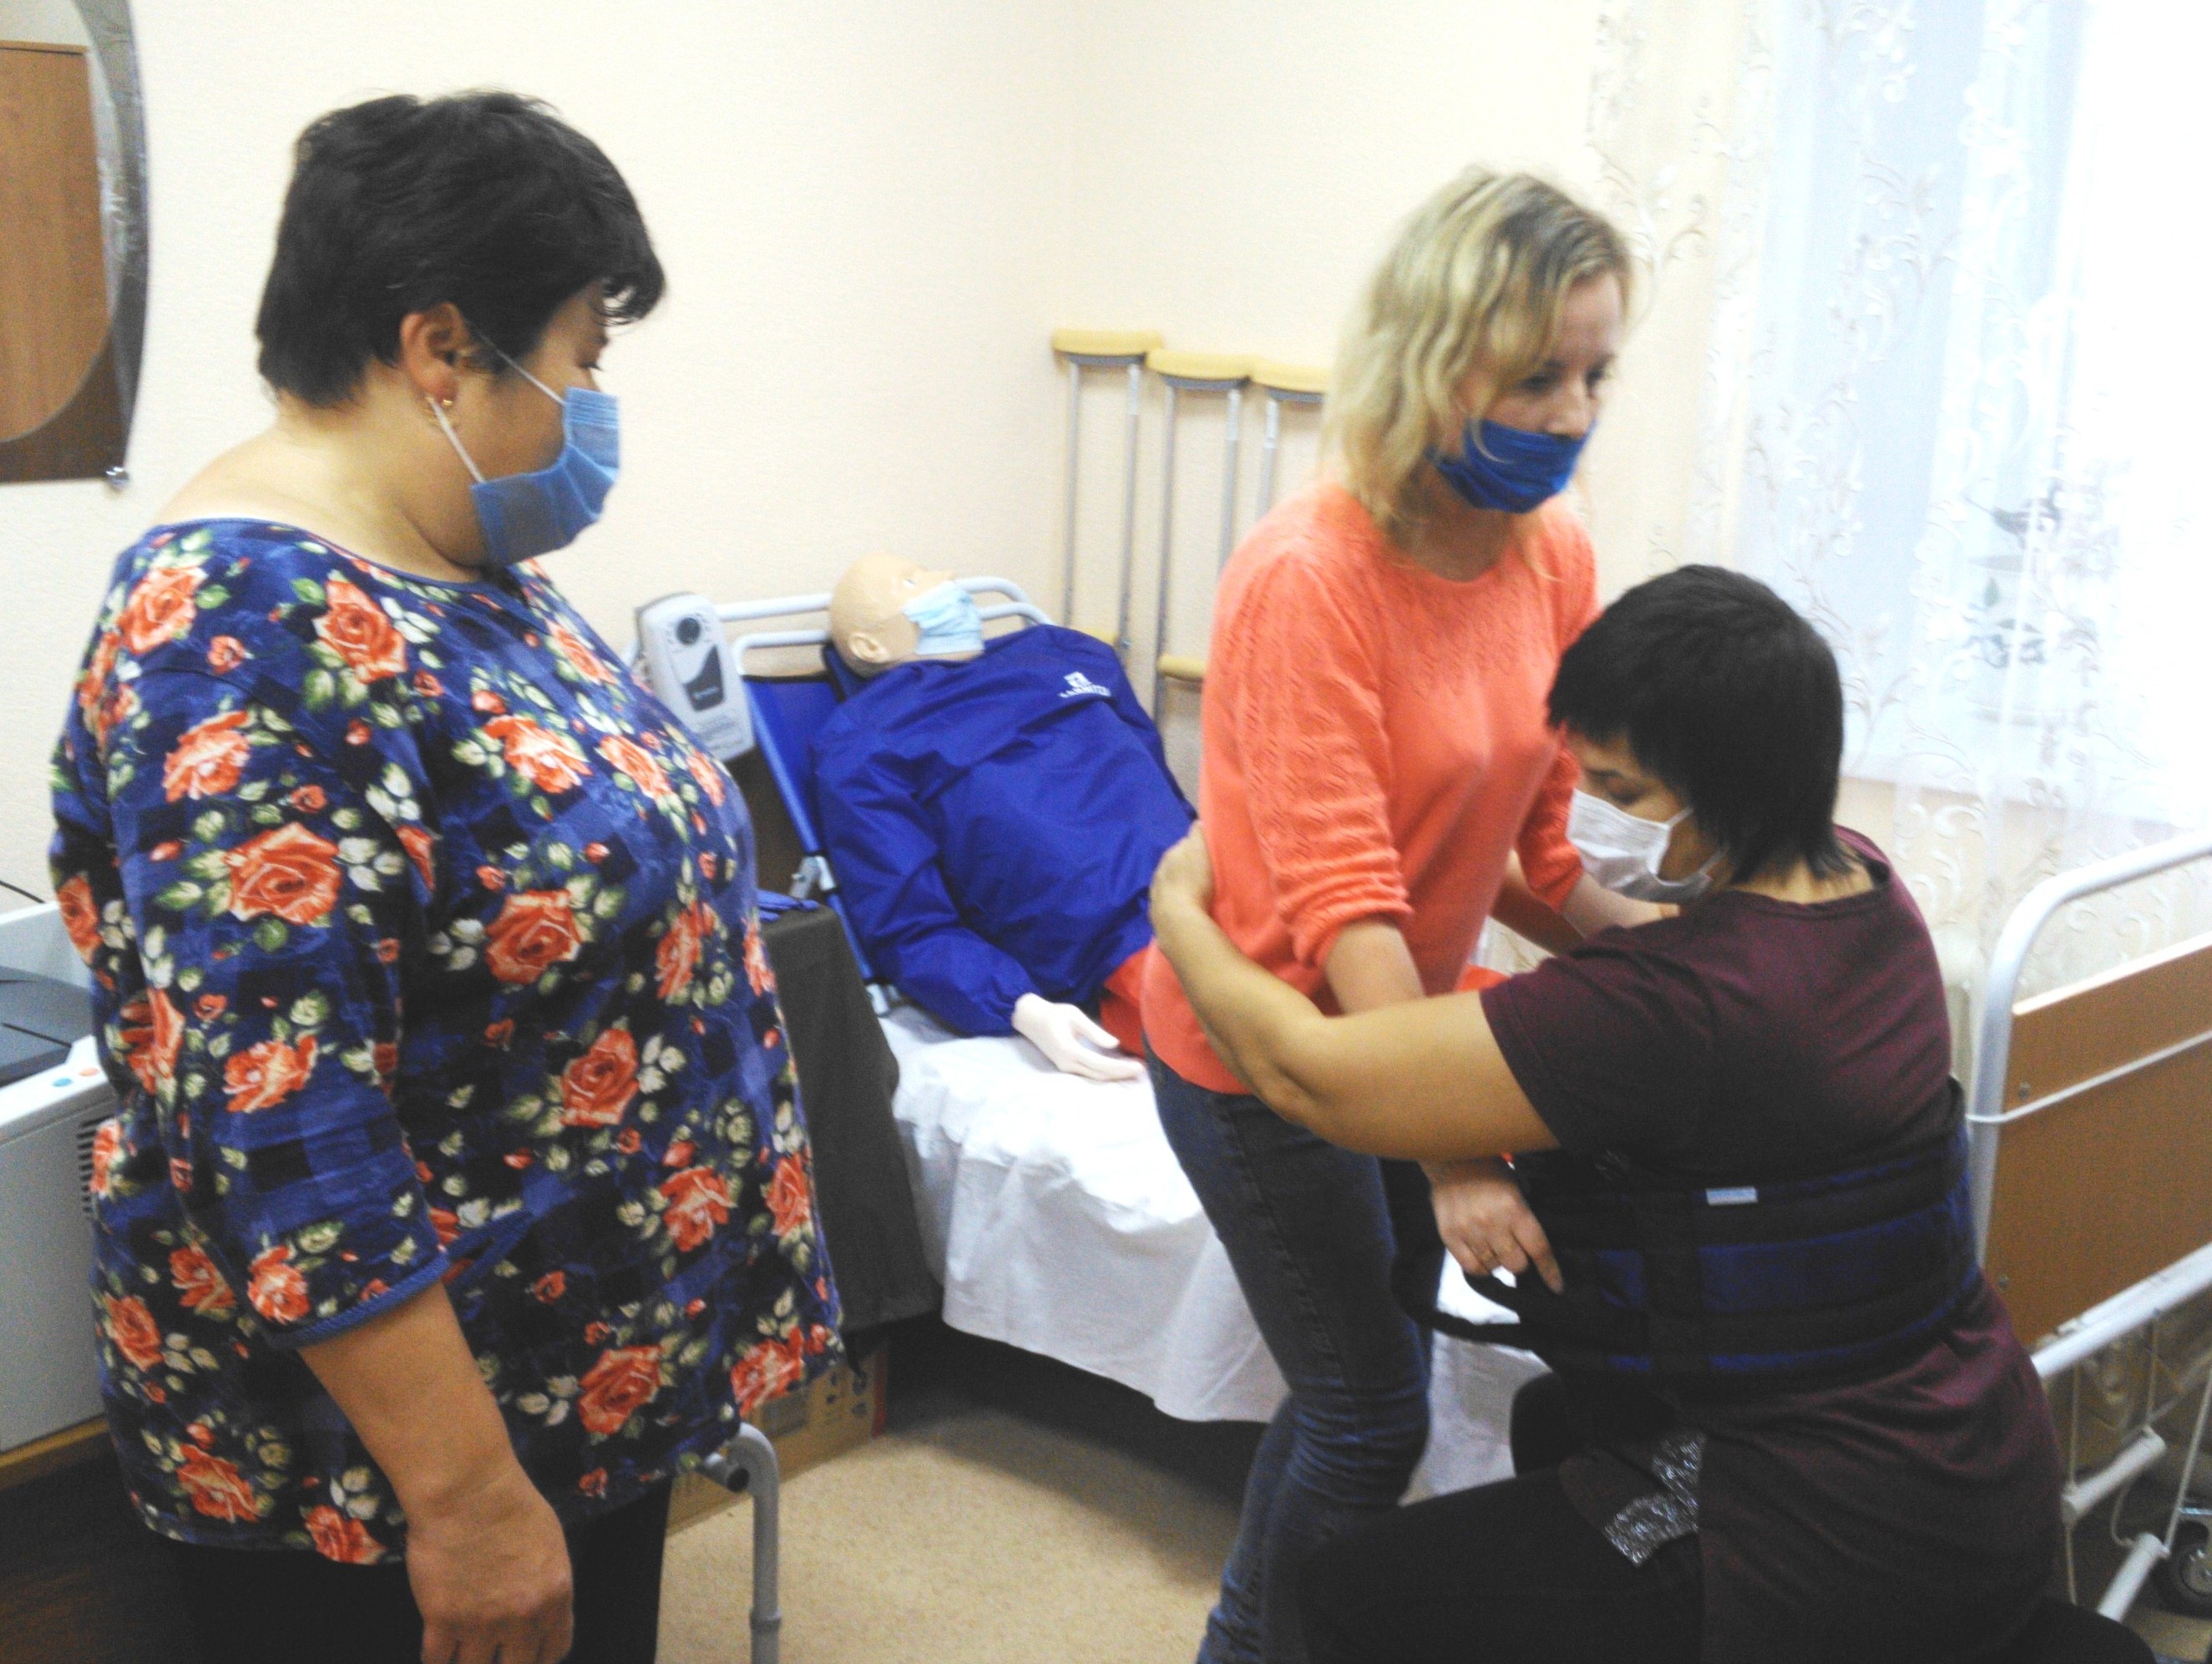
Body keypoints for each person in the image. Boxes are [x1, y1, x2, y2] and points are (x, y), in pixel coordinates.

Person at [47, 92, 838, 1664]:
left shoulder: (460, 564)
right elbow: (285, 1122)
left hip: (573, 1390)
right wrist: (467, 1497)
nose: (592, 408)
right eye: (581, 360)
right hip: (403, 1475)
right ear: (440, 349)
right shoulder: (239, 633)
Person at [1149, 565, 2064, 1663]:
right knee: (1555, 1418)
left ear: (1731, 792)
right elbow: (1645, 965)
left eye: (1621, 791)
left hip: (1826, 1525)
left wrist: (1177, 911)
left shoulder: (1672, 1011)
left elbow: (1310, 1074)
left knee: (1348, 1593)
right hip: (1975, 1452)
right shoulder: (1867, 894)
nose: (1591, 814)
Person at [1134, 169, 1653, 1662]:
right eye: (1535, 375)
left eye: (1594, 375)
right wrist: (1451, 1154)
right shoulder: (1308, 578)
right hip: (1267, 1052)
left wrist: (1671, 952)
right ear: (1431, 360)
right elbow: (1346, 904)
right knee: (1369, 1410)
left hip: (1403, 1036)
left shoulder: (1549, 550)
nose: (1570, 414)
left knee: (1348, 1394)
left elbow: (1531, 843)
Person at [810, 550, 1196, 1081]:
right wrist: (1021, 1006)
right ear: (868, 646)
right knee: (1261, 1039)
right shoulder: (866, 742)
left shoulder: (1061, 652)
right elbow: (909, 924)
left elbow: (1159, 784)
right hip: (1117, 942)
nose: (948, 576)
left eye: (930, 567)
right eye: (912, 581)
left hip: (1214, 886)